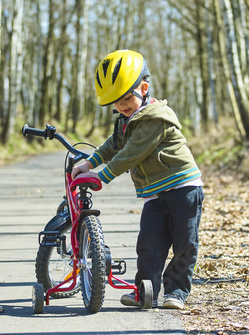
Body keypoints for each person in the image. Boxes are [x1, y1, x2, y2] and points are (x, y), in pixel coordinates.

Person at [72, 50, 204, 310]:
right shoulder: (127, 120)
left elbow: (130, 153)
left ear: (144, 88)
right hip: (156, 194)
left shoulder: (154, 118)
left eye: (126, 99)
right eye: (116, 102)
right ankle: (146, 292)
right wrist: (90, 162)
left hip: (183, 189)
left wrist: (103, 176)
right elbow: (114, 145)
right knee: (149, 245)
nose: (122, 106)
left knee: (184, 243)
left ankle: (175, 292)